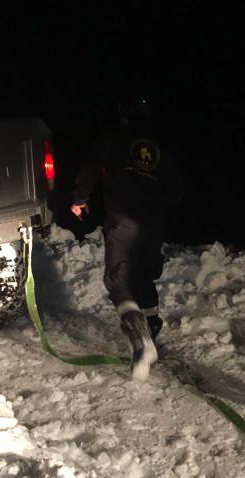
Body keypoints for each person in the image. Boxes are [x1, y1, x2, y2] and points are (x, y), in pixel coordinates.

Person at [71, 97, 184, 381]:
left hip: (123, 222)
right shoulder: (161, 145)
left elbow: (90, 168)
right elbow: (176, 190)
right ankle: (152, 331)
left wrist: (79, 199)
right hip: (155, 224)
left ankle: (142, 342)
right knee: (144, 277)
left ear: (124, 115)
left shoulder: (112, 139)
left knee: (118, 280)